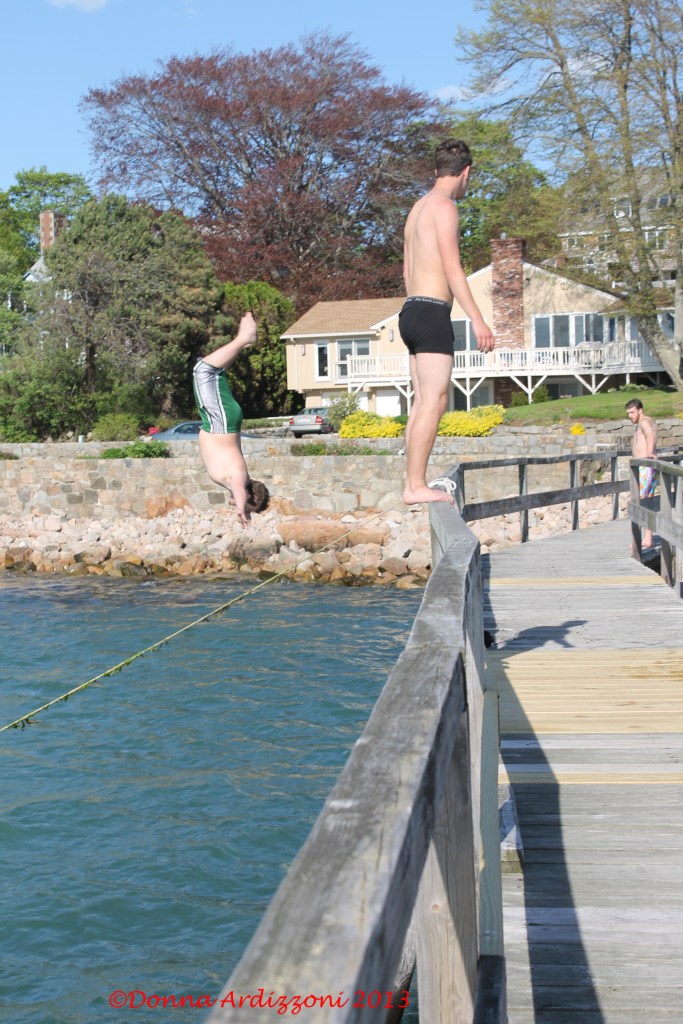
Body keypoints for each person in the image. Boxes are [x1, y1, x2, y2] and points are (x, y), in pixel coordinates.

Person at [399, 138, 495, 506]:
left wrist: (416, 307)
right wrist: (477, 319)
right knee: (435, 401)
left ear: (437, 169)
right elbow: (452, 267)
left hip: (410, 310)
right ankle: (415, 485)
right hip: (432, 312)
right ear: (466, 172)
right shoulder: (445, 208)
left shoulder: (418, 208)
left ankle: (413, 481)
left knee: (422, 400)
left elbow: (408, 269)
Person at [193, 311, 270, 528]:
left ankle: (242, 342)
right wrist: (240, 509)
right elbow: (238, 488)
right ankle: (244, 338)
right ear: (247, 497)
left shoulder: (237, 478)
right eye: (248, 506)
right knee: (203, 370)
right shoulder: (239, 479)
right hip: (221, 423)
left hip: (218, 422)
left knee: (213, 372)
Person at [626, 397, 658, 549]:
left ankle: (648, 537)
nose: (630, 416)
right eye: (628, 413)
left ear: (640, 410)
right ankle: (641, 537)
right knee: (641, 501)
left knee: (646, 501)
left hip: (646, 465)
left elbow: (650, 435)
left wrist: (650, 452)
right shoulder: (641, 422)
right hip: (640, 466)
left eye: (632, 412)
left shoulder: (644, 422)